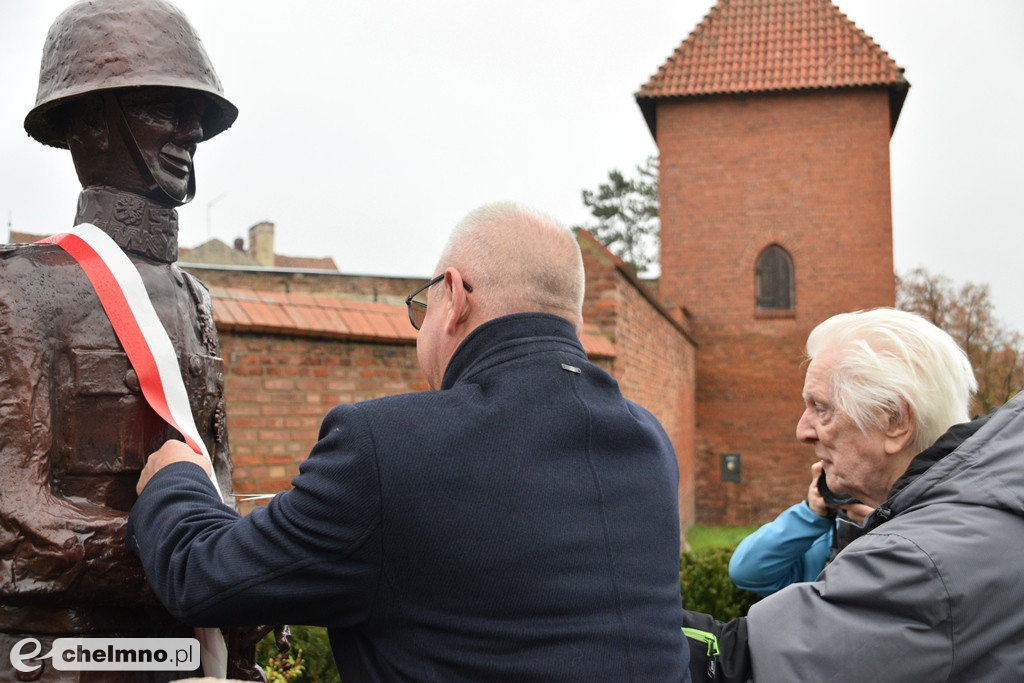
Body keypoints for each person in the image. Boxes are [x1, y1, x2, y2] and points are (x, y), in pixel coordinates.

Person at [127, 203, 691, 681]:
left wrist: (176, 475)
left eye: (423, 308)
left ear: (454, 296)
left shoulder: (385, 448)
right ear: (576, 321)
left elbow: (201, 574)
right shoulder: (649, 444)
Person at [0, 0, 251, 678]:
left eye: (192, 110)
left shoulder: (197, 300)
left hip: (187, 654)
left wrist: (250, 569)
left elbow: (216, 486)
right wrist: (200, 561)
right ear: (89, 122)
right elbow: (14, 523)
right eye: (161, 106)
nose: (190, 129)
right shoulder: (21, 289)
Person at [683, 308, 1024, 682]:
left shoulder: (919, 559)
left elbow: (746, 664)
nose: (802, 431)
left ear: (894, 420)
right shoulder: (983, 509)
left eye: (821, 408)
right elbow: (748, 569)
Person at [727, 461, 872, 596]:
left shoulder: (894, 530)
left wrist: (887, 522)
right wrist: (811, 515)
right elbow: (746, 572)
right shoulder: (822, 539)